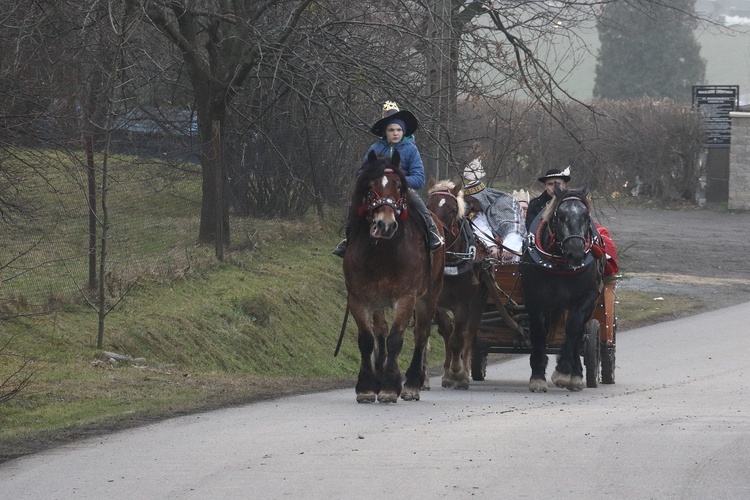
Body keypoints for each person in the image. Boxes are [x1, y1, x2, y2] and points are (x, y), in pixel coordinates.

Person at [333, 104, 443, 257]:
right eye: (391, 130)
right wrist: (374, 180)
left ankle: (432, 233)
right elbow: (361, 174)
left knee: (418, 204)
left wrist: (398, 182)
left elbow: (419, 179)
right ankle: (348, 239)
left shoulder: (411, 150)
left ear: (403, 131)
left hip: (400, 190)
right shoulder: (375, 148)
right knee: (355, 204)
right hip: (377, 190)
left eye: (399, 130)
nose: (395, 133)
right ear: (385, 132)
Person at [462, 158, 526, 261]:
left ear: (481, 198)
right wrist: (491, 247)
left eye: (473, 201)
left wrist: (509, 247)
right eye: (469, 202)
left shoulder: (504, 202)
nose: (471, 205)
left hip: (514, 252)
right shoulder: (475, 213)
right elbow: (481, 229)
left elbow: (515, 226)